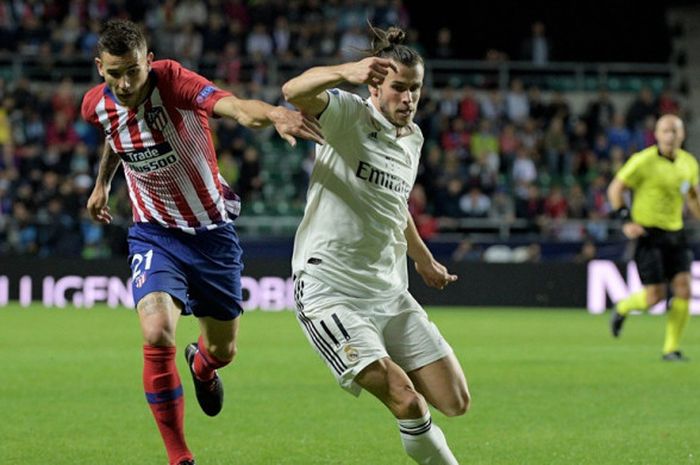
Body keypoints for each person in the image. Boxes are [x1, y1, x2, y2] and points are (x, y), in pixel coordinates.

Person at [82, 19, 322, 465]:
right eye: (115, 73)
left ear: (148, 61)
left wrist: (272, 114)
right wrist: (101, 185)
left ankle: (202, 365)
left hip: (211, 234)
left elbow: (231, 107)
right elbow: (115, 137)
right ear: (100, 68)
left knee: (223, 351)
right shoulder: (95, 105)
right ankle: (180, 456)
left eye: (133, 70)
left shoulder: (171, 81)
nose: (125, 82)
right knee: (156, 333)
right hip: (153, 232)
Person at [282, 25, 470, 464]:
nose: (408, 99)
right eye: (399, 88)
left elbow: (395, 204)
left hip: (389, 290)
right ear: (375, 86)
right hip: (331, 290)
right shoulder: (348, 115)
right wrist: (344, 71)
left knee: (456, 399)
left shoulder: (414, 139)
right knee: (408, 401)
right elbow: (294, 90)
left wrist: (424, 260)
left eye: (415, 89)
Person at [607, 114, 699, 361]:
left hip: (675, 233)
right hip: (648, 233)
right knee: (655, 296)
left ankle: (671, 349)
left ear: (682, 135)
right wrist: (625, 220)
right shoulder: (642, 161)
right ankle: (623, 307)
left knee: (684, 289)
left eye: (675, 131)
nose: (670, 135)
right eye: (665, 131)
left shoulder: (689, 164)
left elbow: (691, 198)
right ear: (657, 135)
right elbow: (615, 189)